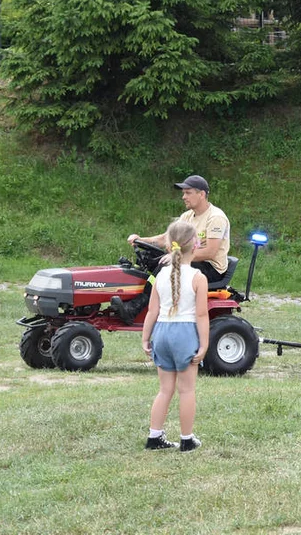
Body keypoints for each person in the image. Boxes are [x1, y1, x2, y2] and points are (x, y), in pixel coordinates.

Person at [115, 174, 231, 323]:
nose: (183, 197)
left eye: (188, 193)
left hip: (211, 269)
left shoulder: (216, 218)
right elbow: (165, 238)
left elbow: (210, 252)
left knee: (166, 265)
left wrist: (177, 257)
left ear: (201, 194)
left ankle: (134, 309)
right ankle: (132, 298)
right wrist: (140, 240)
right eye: (183, 193)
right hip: (189, 260)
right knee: (148, 259)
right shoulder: (187, 216)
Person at [141, 221, 208, 452]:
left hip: (161, 332)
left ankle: (154, 436)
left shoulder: (160, 276)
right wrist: (204, 345)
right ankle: (187, 439)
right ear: (196, 245)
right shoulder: (199, 277)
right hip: (185, 333)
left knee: (164, 389)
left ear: (169, 246)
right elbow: (201, 315)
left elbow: (152, 311)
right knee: (186, 390)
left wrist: (145, 338)